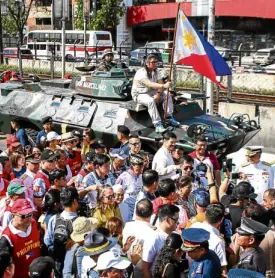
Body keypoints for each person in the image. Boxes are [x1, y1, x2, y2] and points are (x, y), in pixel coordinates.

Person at [131, 54, 180, 133]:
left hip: (152, 91)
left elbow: (160, 83)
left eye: (156, 62)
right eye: (153, 62)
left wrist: (158, 93)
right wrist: (163, 85)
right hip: (140, 94)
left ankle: (168, 117)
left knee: (167, 94)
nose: (155, 64)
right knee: (150, 101)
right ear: (147, 63)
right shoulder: (141, 73)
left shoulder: (156, 71)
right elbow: (150, 84)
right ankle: (157, 124)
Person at [0, 199, 40, 278]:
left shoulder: (33, 223)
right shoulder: (7, 238)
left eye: (30, 214)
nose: (28, 218)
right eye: (23, 216)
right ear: (13, 215)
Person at [44, 187, 79, 277]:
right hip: (73, 264)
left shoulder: (54, 218)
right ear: (74, 201)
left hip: (57, 261)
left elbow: (47, 240)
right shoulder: (80, 221)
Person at [142, 204, 180, 278]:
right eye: (176, 220)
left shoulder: (175, 236)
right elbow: (145, 269)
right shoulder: (153, 239)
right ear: (168, 220)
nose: (178, 223)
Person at [191, 203, 228, 276]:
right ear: (221, 220)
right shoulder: (218, 241)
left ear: (205, 213)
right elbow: (222, 269)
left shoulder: (193, 226)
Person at [123, 199, 155, 277]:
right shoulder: (153, 233)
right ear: (152, 212)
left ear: (136, 212)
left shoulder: (127, 226)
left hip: (127, 270)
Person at [116, 154, 144, 219]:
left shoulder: (141, 176)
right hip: (125, 208)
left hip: (136, 209)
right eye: (138, 168)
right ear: (132, 167)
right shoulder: (124, 177)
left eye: (142, 168)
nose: (140, 171)